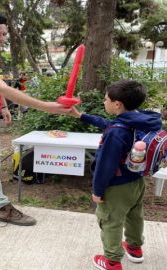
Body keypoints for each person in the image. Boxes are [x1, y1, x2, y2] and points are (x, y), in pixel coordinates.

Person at [0, 12, 71, 226]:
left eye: (4, 34)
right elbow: (3, 87)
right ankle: (2, 207)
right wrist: (48, 107)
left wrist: (4, 106)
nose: (1, 38)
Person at [69, 80, 162, 270]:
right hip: (137, 182)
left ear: (117, 103)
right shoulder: (140, 120)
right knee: (135, 215)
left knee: (110, 221)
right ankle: (135, 249)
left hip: (117, 185)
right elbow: (110, 124)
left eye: (105, 99)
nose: (104, 102)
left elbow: (105, 165)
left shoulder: (116, 132)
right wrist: (81, 116)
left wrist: (97, 190)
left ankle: (112, 261)